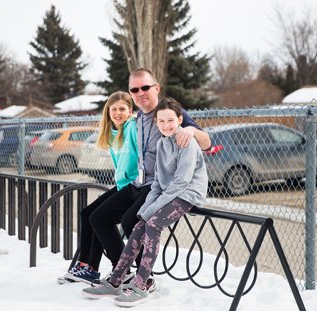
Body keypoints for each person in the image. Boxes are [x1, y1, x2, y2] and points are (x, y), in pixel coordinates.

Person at [87, 68, 211, 291]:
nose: (140, 92)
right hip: (139, 182)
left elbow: (206, 142)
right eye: (134, 89)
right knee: (98, 216)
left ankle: (146, 278)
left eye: (145, 87)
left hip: (160, 184)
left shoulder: (168, 112)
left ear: (156, 88)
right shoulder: (137, 118)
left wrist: (192, 131)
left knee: (130, 220)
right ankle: (121, 272)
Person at [57, 91, 138, 284]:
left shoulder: (133, 127)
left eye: (122, 109)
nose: (118, 113)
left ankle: (122, 269)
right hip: (122, 186)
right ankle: (88, 268)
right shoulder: (111, 133)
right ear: (108, 111)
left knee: (99, 218)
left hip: (136, 186)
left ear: (130, 111)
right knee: (87, 214)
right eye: (114, 109)